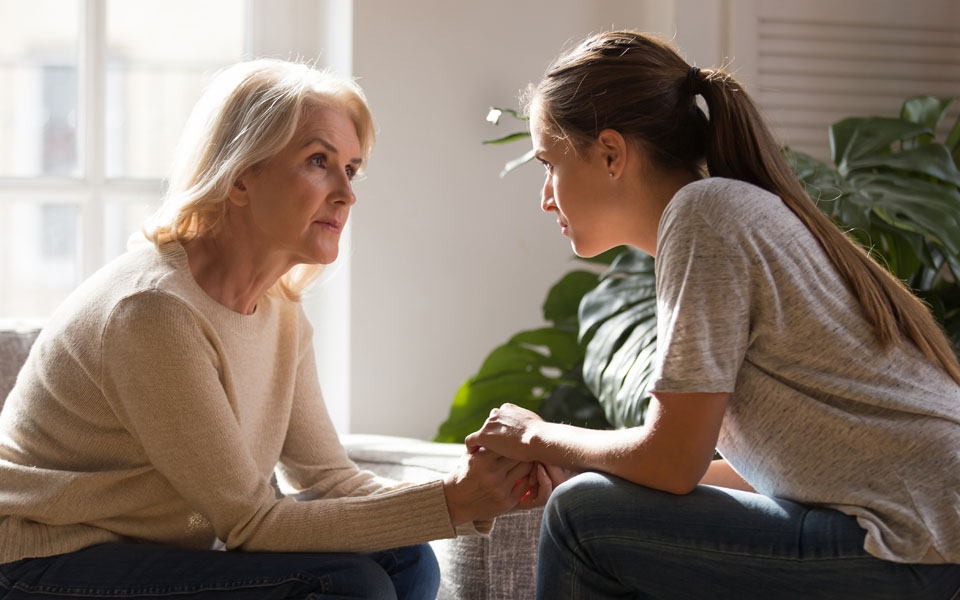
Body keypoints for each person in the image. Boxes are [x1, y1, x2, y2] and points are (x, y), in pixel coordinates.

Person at [0, 59, 552, 599]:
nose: (347, 192)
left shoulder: (280, 312)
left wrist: (473, 491)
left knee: (403, 558)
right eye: (319, 160)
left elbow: (330, 479)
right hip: (42, 560)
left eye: (352, 169)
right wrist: (454, 501)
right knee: (346, 584)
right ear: (240, 178)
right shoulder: (152, 311)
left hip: (156, 551)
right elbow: (249, 523)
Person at [466, 30, 960, 599]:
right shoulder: (726, 213)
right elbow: (754, 474)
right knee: (592, 501)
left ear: (610, 153)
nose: (545, 197)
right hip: (922, 536)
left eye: (548, 164)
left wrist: (540, 436)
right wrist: (594, 467)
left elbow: (671, 462)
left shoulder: (704, 217)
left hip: (911, 542)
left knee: (581, 519)